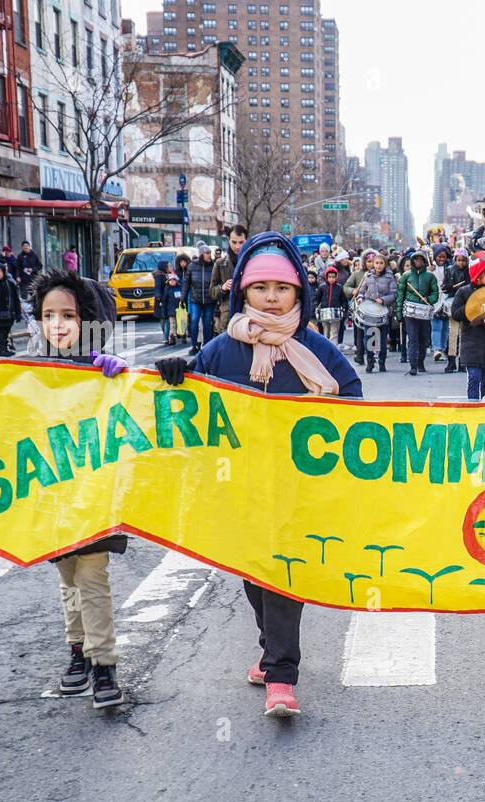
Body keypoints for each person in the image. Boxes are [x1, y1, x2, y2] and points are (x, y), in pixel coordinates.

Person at [154, 234, 362, 719]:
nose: (272, 297)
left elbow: (354, 398)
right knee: (252, 573)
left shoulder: (318, 348)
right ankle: (270, 645)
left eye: (282, 288)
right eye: (261, 287)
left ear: (299, 294)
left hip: (297, 488)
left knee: (283, 573)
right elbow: (190, 394)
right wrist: (175, 372)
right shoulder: (223, 348)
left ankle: (282, 675)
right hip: (239, 486)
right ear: (242, 292)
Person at [0, 268, 131, 709]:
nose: (58, 324)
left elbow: (135, 408)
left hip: (93, 495)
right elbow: (9, 416)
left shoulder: (99, 370)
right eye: (48, 315)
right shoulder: (29, 371)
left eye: (69, 315)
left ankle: (104, 665)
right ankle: (79, 651)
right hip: (50, 497)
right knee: (68, 577)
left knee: (92, 576)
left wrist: (119, 376)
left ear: (86, 318)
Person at [450, 251, 485, 399]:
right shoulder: (464, 292)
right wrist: (472, 308)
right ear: (478, 275)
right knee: (474, 378)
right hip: (471, 343)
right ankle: (472, 409)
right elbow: (455, 314)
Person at [396, 250, 439, 375]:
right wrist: (399, 313)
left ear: (424, 261)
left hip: (424, 312)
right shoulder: (406, 276)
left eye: (420, 259)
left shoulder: (430, 276)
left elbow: (435, 294)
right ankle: (413, 365)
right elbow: (400, 295)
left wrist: (429, 299)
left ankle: (421, 361)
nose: (418, 262)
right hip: (410, 312)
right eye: (416, 259)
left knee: (424, 338)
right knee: (413, 338)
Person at [356, 249, 398, 373]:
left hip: (383, 311)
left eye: (381, 263)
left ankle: (382, 361)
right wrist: (360, 298)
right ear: (373, 264)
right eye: (376, 263)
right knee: (369, 337)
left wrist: (384, 300)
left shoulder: (390, 277)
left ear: (385, 265)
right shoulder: (368, 276)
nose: (378, 265)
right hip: (369, 311)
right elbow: (362, 291)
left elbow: (394, 294)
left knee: (382, 338)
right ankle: (370, 362)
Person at [210, 224, 247, 334]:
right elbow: (211, 292)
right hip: (227, 315)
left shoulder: (252, 262)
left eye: (241, 242)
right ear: (228, 240)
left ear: (246, 240)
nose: (237, 246)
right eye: (234, 242)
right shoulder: (220, 263)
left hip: (249, 313)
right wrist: (223, 287)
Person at [441, 248, 472, 372]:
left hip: (465, 304)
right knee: (452, 333)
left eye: (463, 260)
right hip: (453, 303)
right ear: (455, 260)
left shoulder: (469, 272)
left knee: (463, 334)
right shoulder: (449, 270)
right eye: (458, 260)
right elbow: (444, 286)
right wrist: (447, 287)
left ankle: (462, 361)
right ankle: (451, 360)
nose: (460, 263)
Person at [184, 244, 218, 353]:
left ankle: (207, 346)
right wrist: (182, 298)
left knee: (207, 323)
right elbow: (186, 283)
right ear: (201, 254)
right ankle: (194, 345)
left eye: (210, 253)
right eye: (207, 253)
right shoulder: (192, 266)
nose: (209, 255)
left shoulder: (213, 265)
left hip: (209, 300)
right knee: (194, 321)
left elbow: (217, 281)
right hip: (196, 300)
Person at [344, 248, 375, 364]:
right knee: (359, 333)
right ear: (364, 262)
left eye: (373, 261)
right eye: (368, 261)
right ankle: (360, 354)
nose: (371, 264)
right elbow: (346, 287)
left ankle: (372, 356)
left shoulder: (379, 275)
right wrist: (353, 291)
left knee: (372, 332)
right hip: (360, 309)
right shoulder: (357, 274)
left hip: (374, 309)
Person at [315, 266, 347, 348]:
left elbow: (344, 300)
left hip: (335, 313)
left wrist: (343, 307)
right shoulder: (322, 287)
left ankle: (333, 347)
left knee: (334, 331)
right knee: (326, 330)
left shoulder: (339, 288)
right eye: (329, 277)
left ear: (336, 277)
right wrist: (317, 307)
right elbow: (317, 299)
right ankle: (326, 347)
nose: (331, 279)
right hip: (324, 312)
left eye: (333, 277)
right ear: (326, 277)